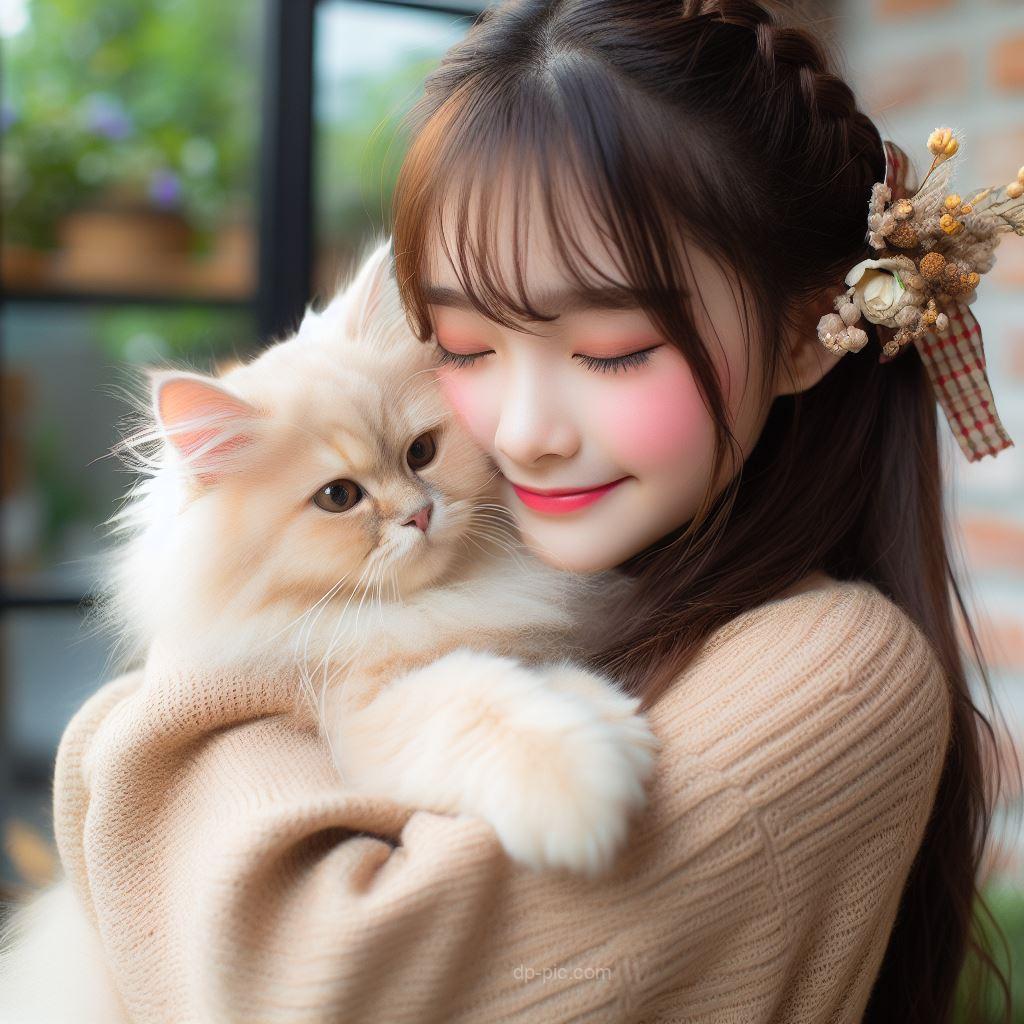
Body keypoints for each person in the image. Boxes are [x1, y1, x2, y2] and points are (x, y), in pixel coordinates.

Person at [47, 0, 1019, 1021]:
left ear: (804, 336)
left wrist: (170, 711)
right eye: (463, 349)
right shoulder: (549, 576)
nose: (521, 430)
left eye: (609, 350)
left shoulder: (839, 664)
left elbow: (307, 985)